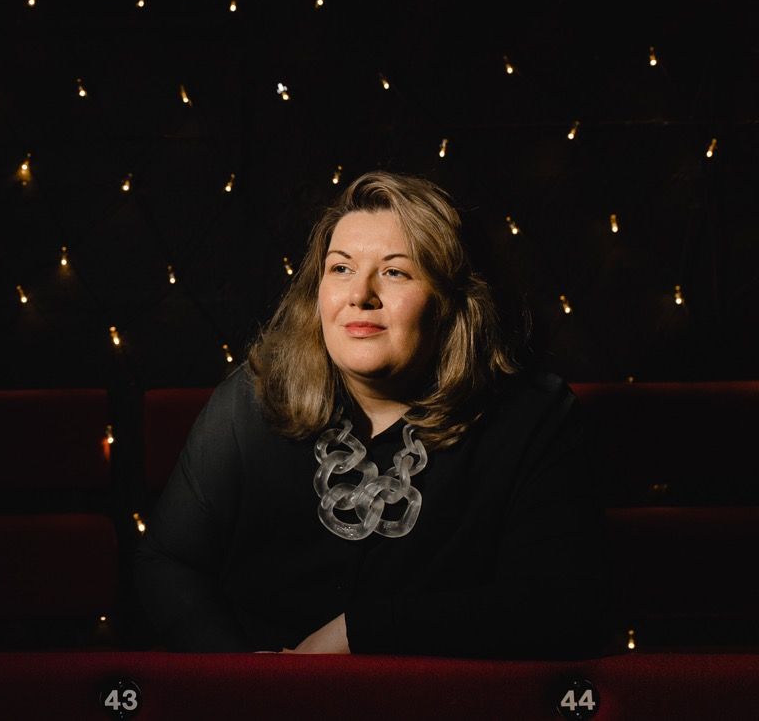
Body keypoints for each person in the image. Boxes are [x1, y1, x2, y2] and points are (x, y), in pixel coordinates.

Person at [133, 170, 609, 657]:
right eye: (340, 268)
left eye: (396, 271)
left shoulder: (534, 417)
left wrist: (360, 632)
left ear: (452, 301)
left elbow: (559, 605)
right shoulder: (252, 399)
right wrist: (247, 683)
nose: (360, 294)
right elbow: (167, 562)